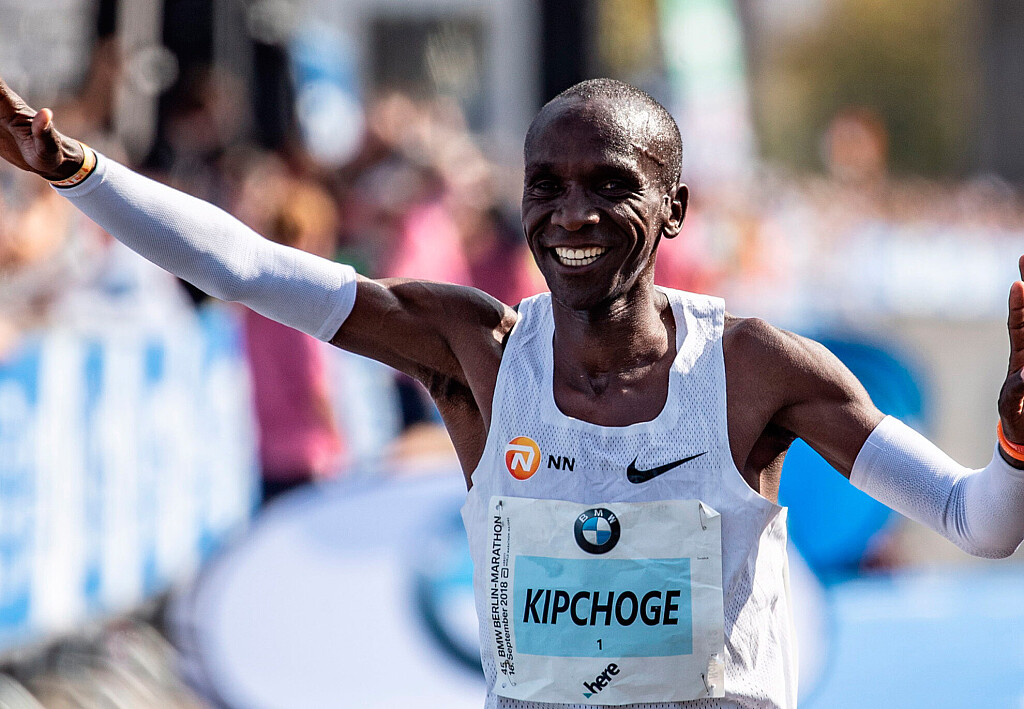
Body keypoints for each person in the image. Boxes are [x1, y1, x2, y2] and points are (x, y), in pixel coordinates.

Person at [2, 76, 1023, 709]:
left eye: (611, 184)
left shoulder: (755, 368)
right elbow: (252, 270)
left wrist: (1017, 445)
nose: (572, 213)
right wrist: (75, 171)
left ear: (674, 208)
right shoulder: (477, 351)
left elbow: (975, 521)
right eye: (548, 184)